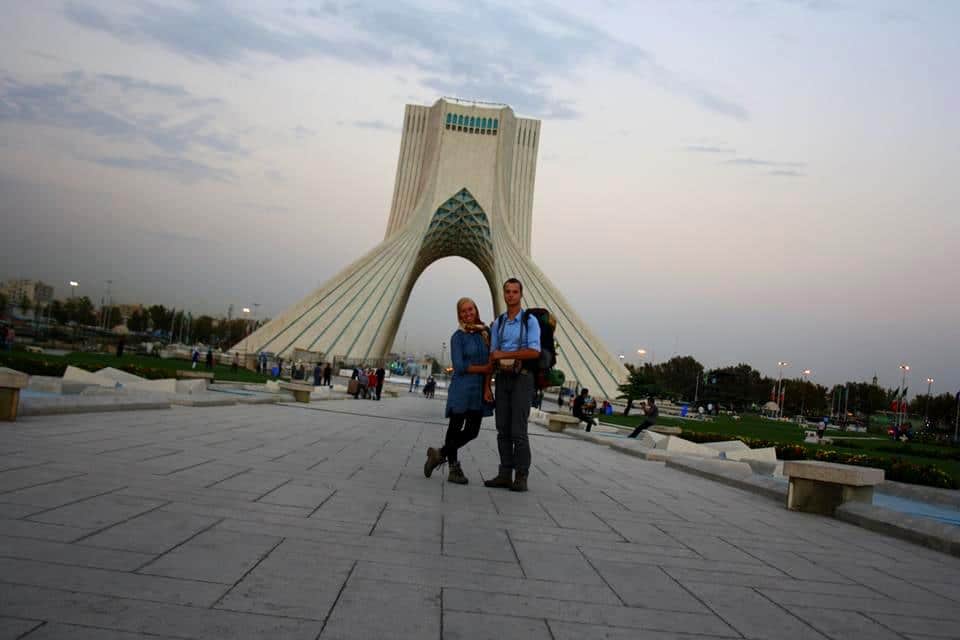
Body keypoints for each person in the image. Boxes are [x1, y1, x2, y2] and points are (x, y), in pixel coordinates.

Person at [425, 297, 494, 484]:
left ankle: (439, 454)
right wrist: (484, 369)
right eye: (463, 311)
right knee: (455, 428)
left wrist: (487, 386)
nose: (468, 313)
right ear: (459, 315)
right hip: (462, 388)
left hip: (479, 389)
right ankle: (454, 469)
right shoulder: (457, 337)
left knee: (472, 431)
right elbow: (460, 366)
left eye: (470, 309)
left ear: (476, 310)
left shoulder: (485, 334)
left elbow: (491, 362)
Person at [483, 278, 541, 493]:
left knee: (518, 430)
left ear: (520, 294)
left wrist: (506, 354)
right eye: (507, 291)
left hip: (523, 378)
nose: (510, 295)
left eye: (514, 292)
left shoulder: (530, 321)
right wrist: (487, 386)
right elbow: (492, 356)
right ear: (504, 294)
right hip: (504, 378)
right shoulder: (499, 323)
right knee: (502, 429)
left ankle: (521, 475)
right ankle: (505, 473)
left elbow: (534, 352)